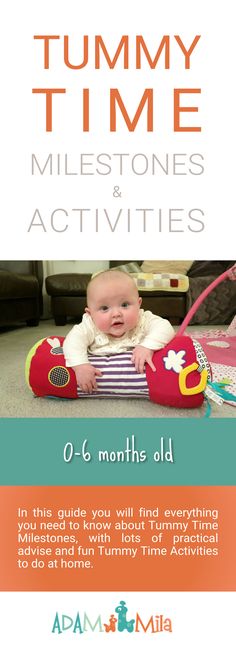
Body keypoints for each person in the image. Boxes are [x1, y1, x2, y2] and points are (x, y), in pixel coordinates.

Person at [63, 270, 174, 394]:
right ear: (90, 314)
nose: (116, 314)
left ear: (138, 305)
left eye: (125, 305)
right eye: (104, 308)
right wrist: (81, 366)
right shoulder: (89, 325)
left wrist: (147, 346)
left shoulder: (142, 319)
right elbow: (72, 341)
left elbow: (165, 327)